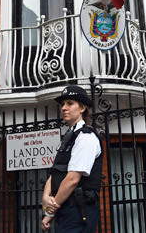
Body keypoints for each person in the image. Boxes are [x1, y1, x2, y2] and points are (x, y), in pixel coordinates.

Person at [41, 85, 102, 232]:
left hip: (79, 210)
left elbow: (72, 179)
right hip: (66, 209)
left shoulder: (85, 137)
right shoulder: (69, 137)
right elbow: (55, 172)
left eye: (70, 103)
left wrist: (50, 212)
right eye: (62, 104)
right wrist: (45, 197)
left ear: (82, 108)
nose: (64, 108)